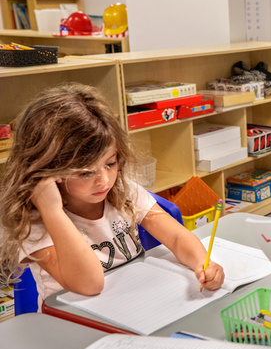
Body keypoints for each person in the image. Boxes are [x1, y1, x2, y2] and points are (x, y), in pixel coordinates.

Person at [0, 84, 225, 308]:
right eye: (85, 172)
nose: (104, 180)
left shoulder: (121, 190)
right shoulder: (36, 220)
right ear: (48, 171)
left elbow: (176, 237)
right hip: (73, 321)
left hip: (131, 304)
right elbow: (90, 285)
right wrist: (53, 212)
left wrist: (201, 263)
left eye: (110, 163)